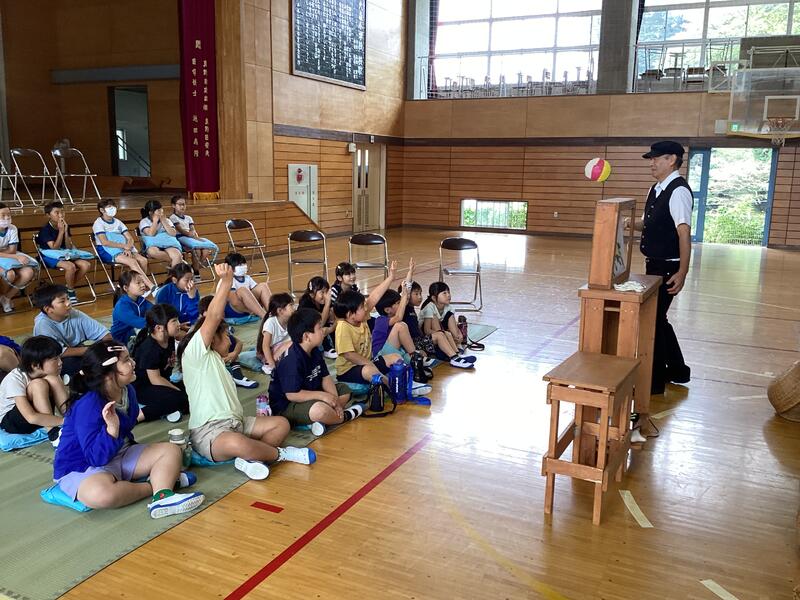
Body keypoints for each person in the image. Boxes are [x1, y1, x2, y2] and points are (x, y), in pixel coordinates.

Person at [177, 264, 315, 480]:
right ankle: (281, 454)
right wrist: (226, 281)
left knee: (280, 424)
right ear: (212, 338)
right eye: (225, 335)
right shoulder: (195, 355)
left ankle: (252, 460)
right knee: (237, 443)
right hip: (209, 432)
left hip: (237, 423)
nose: (229, 340)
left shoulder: (217, 360)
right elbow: (213, 316)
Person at [53, 341, 204, 517]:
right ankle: (155, 486)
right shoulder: (88, 404)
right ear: (108, 373)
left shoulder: (127, 390)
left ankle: (162, 497)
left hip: (120, 453)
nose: (133, 362)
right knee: (100, 494)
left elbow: (128, 428)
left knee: (171, 451)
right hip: (83, 466)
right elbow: (96, 458)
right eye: (126, 360)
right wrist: (112, 429)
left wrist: (117, 432)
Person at [634, 141, 693, 399]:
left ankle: (653, 383)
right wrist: (626, 222)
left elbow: (684, 233)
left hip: (668, 267)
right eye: (651, 158)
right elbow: (649, 223)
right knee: (658, 319)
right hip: (654, 265)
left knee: (653, 322)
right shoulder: (656, 189)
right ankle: (678, 370)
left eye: (657, 158)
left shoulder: (678, 191)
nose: (652, 163)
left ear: (672, 160)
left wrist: (682, 272)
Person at [333, 261, 431, 396]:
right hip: (348, 371)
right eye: (361, 307)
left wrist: (391, 277)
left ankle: (409, 383)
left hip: (368, 362)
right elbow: (349, 355)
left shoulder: (360, 318)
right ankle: (395, 388)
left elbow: (373, 297)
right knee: (369, 371)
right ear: (350, 314)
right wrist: (370, 364)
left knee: (396, 357)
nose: (366, 308)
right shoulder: (343, 327)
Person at [268, 308, 363, 437]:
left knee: (344, 390)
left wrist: (334, 400)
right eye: (319, 328)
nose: (323, 330)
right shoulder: (291, 360)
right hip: (288, 404)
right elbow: (292, 395)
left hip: (312, 393)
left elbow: (325, 377)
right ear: (306, 336)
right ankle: (345, 416)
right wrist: (323, 397)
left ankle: (322, 419)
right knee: (320, 410)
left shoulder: (314, 350)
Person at [32, 284, 113, 376]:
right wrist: (92, 350)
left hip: (79, 351)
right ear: (48, 309)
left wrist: (107, 347)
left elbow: (104, 334)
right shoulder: (42, 324)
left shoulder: (74, 313)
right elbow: (58, 352)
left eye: (68, 298)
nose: (68, 303)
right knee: (71, 363)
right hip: (56, 359)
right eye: (62, 301)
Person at [0, 336, 66, 444]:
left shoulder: (51, 374)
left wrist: (73, 419)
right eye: (55, 359)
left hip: (39, 418)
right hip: (13, 423)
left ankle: (71, 417)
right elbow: (31, 417)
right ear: (35, 365)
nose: (60, 362)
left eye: (59, 357)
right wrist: (64, 421)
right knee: (38, 384)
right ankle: (53, 433)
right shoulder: (14, 379)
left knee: (53, 379)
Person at [130, 304, 188, 423]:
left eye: (177, 320)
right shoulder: (149, 349)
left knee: (191, 389)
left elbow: (185, 337)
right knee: (180, 398)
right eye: (174, 321)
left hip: (162, 381)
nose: (178, 324)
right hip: (143, 388)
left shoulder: (169, 337)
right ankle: (138, 415)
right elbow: (155, 379)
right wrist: (176, 390)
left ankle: (170, 408)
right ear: (159, 328)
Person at [400, 280, 468, 366]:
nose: (420, 297)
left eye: (420, 294)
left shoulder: (412, 309)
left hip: (420, 340)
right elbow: (426, 330)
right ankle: (454, 358)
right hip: (415, 343)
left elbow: (416, 329)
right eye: (416, 294)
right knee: (440, 334)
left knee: (444, 333)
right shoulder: (405, 308)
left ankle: (456, 354)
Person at [36, 201, 93, 304]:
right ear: (48, 215)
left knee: (86, 265)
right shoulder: (45, 230)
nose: (61, 215)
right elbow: (54, 248)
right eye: (57, 212)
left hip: (64, 253)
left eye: (62, 212)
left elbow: (68, 247)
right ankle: (71, 292)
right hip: (48, 256)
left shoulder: (65, 226)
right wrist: (61, 232)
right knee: (70, 267)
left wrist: (65, 231)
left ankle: (66, 289)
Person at [198, 295, 258, 389]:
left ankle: (237, 376)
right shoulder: (200, 332)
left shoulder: (221, 325)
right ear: (202, 315)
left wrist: (234, 354)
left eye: (220, 310)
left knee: (231, 342)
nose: (220, 314)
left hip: (222, 360)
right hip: (206, 365)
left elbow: (238, 343)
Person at [92, 198, 151, 285]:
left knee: (143, 260)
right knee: (132, 261)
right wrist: (124, 246)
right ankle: (148, 285)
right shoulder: (98, 223)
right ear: (102, 210)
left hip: (124, 248)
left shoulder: (118, 222)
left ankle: (140, 285)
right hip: (107, 250)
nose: (113, 209)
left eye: (114, 206)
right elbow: (104, 242)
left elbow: (130, 238)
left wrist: (127, 248)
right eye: (109, 207)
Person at [169, 195, 218, 282]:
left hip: (191, 238)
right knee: (197, 250)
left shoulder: (188, 218)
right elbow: (181, 230)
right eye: (180, 204)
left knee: (206, 250)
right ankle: (196, 272)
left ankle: (194, 267)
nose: (182, 206)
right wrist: (192, 236)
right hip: (181, 239)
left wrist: (196, 237)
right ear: (173, 205)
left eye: (184, 204)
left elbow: (192, 229)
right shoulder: (173, 217)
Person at [0, 202, 37, 313]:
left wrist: (14, 255)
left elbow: (12, 249)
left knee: (28, 272)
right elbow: (11, 252)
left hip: (9, 257)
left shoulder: (12, 228)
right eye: (3, 215)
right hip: (9, 257)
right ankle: (1, 296)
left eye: (8, 215)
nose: (7, 218)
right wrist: (15, 256)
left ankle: (6, 298)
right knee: (9, 274)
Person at [420, 282, 468, 353]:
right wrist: (444, 334)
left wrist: (459, 334)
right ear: (434, 298)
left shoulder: (448, 307)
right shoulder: (429, 308)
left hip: (441, 329)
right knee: (434, 317)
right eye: (444, 293)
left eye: (448, 292)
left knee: (450, 315)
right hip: (427, 334)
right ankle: (444, 346)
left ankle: (457, 344)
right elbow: (427, 330)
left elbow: (453, 323)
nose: (448, 295)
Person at [224, 252, 272, 319]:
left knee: (263, 286)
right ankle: (264, 316)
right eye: (239, 265)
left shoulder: (247, 278)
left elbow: (256, 293)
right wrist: (249, 311)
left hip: (250, 306)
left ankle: (272, 313)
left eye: (243, 264)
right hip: (235, 310)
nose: (243, 266)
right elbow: (234, 302)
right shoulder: (228, 280)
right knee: (242, 290)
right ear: (230, 268)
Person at [298, 276, 337, 359]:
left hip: (317, 327)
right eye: (322, 292)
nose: (325, 295)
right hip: (305, 331)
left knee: (331, 315)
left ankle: (333, 345)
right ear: (312, 294)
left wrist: (331, 328)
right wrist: (327, 304)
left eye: (326, 292)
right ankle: (325, 347)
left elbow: (335, 317)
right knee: (319, 324)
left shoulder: (322, 300)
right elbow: (321, 323)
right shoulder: (306, 304)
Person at [256, 292, 295, 376]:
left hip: (281, 348)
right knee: (292, 343)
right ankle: (267, 366)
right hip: (269, 353)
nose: (294, 308)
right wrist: (271, 364)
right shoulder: (271, 322)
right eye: (291, 305)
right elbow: (265, 346)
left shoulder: (291, 320)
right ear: (280, 311)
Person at [111, 271, 154, 344]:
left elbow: (156, 311)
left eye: (143, 282)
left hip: (133, 333)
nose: (143, 285)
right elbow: (139, 323)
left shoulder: (141, 300)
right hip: (120, 339)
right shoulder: (122, 306)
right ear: (126, 288)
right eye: (138, 283)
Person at [139, 199, 183, 268]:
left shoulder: (167, 220)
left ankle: (174, 271)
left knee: (177, 254)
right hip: (152, 245)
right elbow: (151, 234)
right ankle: (176, 262)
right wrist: (155, 221)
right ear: (150, 212)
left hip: (168, 243)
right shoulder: (144, 221)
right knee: (153, 252)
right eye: (158, 210)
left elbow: (173, 234)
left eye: (161, 209)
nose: (161, 212)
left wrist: (164, 221)